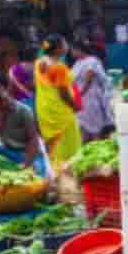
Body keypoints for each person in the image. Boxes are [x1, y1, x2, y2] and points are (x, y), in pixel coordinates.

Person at [0, 71, 45, 173]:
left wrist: (27, 165)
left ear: (6, 89)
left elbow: (33, 139)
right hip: (7, 152)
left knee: (38, 174)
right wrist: (3, 113)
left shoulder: (23, 110)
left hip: (27, 154)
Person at [34, 35, 82, 170]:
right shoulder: (58, 67)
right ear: (59, 49)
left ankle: (54, 172)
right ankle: (68, 173)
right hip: (61, 112)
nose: (67, 45)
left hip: (46, 110)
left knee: (52, 145)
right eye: (65, 42)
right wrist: (75, 105)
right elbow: (63, 93)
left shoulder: (40, 62)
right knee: (69, 146)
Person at [70, 39, 114, 142]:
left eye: (73, 50)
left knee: (95, 129)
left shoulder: (92, 61)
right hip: (81, 100)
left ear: (79, 50)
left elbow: (87, 81)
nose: (72, 52)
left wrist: (78, 96)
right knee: (83, 129)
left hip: (91, 99)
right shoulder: (77, 63)